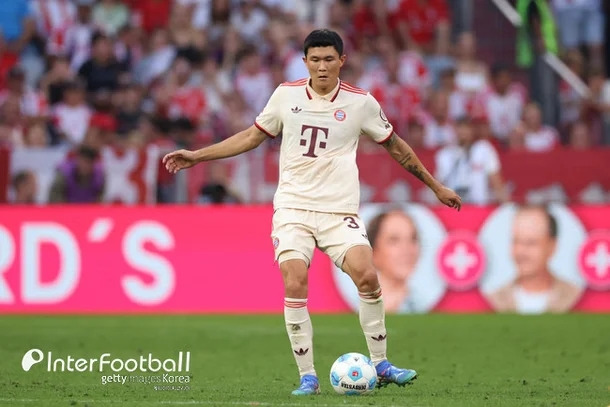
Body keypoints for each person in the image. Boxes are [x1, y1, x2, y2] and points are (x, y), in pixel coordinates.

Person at [163, 29, 461, 395]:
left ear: (341, 61)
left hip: (338, 211)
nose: (322, 67)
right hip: (293, 208)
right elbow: (251, 137)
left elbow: (396, 147)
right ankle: (308, 377)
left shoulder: (361, 103)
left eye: (328, 59)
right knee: (294, 280)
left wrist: (435, 186)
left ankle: (382, 364)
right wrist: (197, 156)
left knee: (367, 276)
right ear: (305, 62)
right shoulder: (285, 96)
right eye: (315, 60)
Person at [486, 206, 583, 313]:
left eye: (530, 243)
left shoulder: (573, 295)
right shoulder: (496, 298)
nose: (520, 251)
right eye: (516, 242)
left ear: (551, 246)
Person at [435, 117, 508, 205]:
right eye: (459, 127)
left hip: (479, 205)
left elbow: (495, 181)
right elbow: (439, 185)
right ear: (454, 130)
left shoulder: (484, 149)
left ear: (472, 130)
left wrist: (506, 204)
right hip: (452, 206)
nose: (463, 131)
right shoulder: (445, 154)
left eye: (466, 127)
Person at [368, 210, 420, 313]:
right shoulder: (355, 306)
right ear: (373, 252)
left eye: (412, 239)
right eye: (394, 240)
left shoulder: (421, 305)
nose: (407, 249)